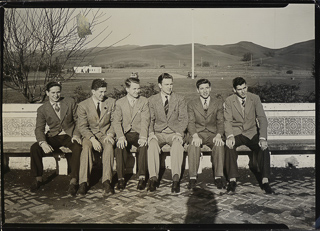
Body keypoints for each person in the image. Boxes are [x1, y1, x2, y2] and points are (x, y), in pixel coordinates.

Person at [30, 82, 82, 196]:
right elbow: (39, 128)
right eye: (53, 92)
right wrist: (43, 142)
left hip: (69, 136)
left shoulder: (70, 102)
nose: (56, 95)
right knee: (35, 148)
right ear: (47, 93)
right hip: (53, 136)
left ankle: (74, 180)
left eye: (58, 92)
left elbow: (79, 121)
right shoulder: (42, 109)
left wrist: (76, 135)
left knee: (78, 147)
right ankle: (38, 178)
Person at [224, 77, 273, 194]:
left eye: (244, 88)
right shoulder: (229, 100)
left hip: (252, 133)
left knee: (264, 147)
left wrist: (262, 138)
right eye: (239, 89)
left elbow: (262, 118)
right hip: (237, 133)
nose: (243, 91)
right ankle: (232, 180)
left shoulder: (254, 98)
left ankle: (265, 180)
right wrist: (230, 136)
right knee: (229, 146)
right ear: (234, 90)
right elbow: (228, 121)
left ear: (247, 86)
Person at [147, 73, 188, 193]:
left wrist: (179, 133)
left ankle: (175, 179)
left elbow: (184, 119)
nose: (169, 87)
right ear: (160, 85)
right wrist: (150, 133)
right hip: (158, 132)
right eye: (166, 84)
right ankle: (153, 178)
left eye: (171, 84)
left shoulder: (180, 99)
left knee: (177, 145)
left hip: (174, 133)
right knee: (152, 145)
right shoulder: (152, 100)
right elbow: (150, 119)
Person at [77, 79, 116, 197]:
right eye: (100, 92)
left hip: (105, 134)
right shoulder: (83, 105)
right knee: (86, 148)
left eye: (104, 92)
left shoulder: (111, 102)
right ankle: (83, 182)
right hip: (90, 135)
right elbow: (82, 127)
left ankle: (106, 181)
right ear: (93, 91)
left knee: (109, 146)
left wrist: (110, 134)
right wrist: (92, 139)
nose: (103, 95)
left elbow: (115, 122)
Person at [187, 79, 225, 190]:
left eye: (207, 88)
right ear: (197, 90)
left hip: (212, 133)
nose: (205, 91)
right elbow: (191, 122)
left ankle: (218, 176)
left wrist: (219, 135)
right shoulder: (191, 104)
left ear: (210, 88)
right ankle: (193, 177)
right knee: (193, 145)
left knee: (219, 145)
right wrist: (194, 135)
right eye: (202, 88)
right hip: (198, 133)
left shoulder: (217, 103)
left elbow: (220, 121)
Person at [113, 77, 150, 191]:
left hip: (138, 132)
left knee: (143, 146)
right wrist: (120, 137)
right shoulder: (119, 103)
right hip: (125, 133)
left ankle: (142, 178)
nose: (137, 91)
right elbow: (116, 121)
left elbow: (145, 120)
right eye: (134, 89)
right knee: (119, 147)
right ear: (127, 89)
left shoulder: (144, 101)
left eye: (138, 89)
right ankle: (120, 178)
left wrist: (143, 136)